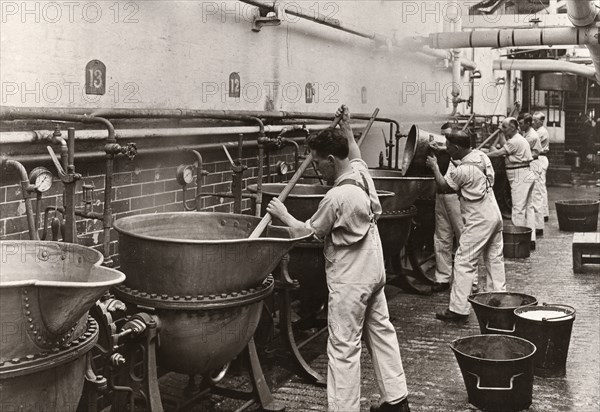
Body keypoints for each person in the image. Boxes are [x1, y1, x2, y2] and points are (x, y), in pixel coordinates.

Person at [267, 105, 410, 412]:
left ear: (331, 160)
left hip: (350, 278)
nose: (317, 168)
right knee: (381, 332)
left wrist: (283, 214)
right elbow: (355, 153)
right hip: (373, 268)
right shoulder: (361, 174)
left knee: (343, 347)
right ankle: (396, 401)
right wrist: (346, 128)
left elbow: (308, 233)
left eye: (319, 163)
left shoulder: (335, 197)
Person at [426, 131, 506, 322]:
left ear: (457, 148)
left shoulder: (461, 171)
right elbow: (470, 168)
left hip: (479, 219)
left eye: (448, 146)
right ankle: (499, 299)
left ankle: (458, 310)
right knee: (494, 258)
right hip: (494, 214)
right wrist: (445, 151)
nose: (447, 149)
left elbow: (444, 186)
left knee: (464, 261)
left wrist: (435, 167)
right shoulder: (481, 156)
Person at [430, 123, 478, 294]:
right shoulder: (440, 151)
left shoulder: (459, 157)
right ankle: (442, 278)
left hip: (455, 198)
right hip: (440, 196)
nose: (445, 140)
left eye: (448, 137)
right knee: (441, 237)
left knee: (463, 237)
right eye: (443, 135)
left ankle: (472, 281)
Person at [486, 118, 537, 249]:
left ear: (513, 128)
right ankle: (530, 239)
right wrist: (501, 134)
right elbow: (506, 146)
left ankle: (518, 242)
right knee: (528, 208)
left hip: (519, 175)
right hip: (525, 172)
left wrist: (482, 154)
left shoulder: (515, 141)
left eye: (504, 127)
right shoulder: (517, 139)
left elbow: (499, 152)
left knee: (518, 209)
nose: (502, 129)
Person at [519, 113, 544, 236]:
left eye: (521, 123)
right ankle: (537, 227)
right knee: (533, 197)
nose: (519, 126)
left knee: (535, 196)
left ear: (528, 123)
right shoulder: (526, 133)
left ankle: (538, 227)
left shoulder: (532, 136)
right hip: (533, 163)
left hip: (534, 163)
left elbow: (523, 150)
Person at [532, 112, 550, 222]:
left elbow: (530, 142)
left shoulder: (541, 132)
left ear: (541, 121)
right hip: (540, 158)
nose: (533, 122)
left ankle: (543, 213)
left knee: (540, 187)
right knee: (540, 186)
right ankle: (543, 212)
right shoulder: (537, 131)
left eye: (535, 120)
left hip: (541, 158)